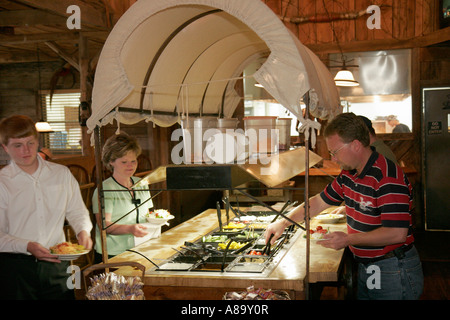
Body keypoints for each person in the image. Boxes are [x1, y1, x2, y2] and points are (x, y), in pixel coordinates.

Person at [265, 112, 423, 300]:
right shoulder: (349, 173)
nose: (333, 158)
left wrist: (348, 239)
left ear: (356, 145)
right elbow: (319, 201)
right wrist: (283, 222)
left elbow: (396, 233)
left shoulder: (386, 176)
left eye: (334, 151)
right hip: (370, 266)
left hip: (393, 268)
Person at [0, 115, 93, 300]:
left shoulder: (61, 174)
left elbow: (77, 210)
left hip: (58, 264)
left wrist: (83, 230)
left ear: (38, 141)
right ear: (5, 147)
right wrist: (27, 245)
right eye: (18, 145)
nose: (26, 150)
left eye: (30, 143)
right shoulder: (2, 182)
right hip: (16, 269)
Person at [92, 132, 154, 263]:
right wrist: (130, 229)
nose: (130, 165)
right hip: (113, 254)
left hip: (141, 248)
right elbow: (105, 225)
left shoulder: (142, 183)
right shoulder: (105, 189)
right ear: (111, 162)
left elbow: (150, 214)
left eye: (133, 161)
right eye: (124, 162)